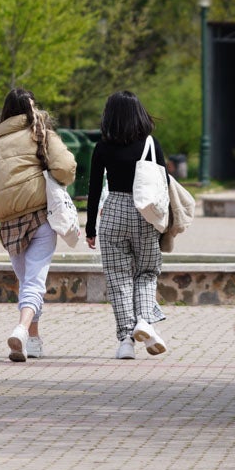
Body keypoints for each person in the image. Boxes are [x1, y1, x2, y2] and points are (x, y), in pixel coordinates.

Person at [0, 88, 77, 362]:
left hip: (8, 224)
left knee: (27, 283)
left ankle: (33, 341)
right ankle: (22, 330)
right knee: (34, 282)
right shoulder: (39, 132)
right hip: (39, 217)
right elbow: (66, 167)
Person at [85, 91, 169, 360]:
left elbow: (95, 188)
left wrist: (90, 229)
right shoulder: (150, 144)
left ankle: (125, 342)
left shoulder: (102, 147)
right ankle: (144, 321)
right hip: (144, 213)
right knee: (146, 272)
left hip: (113, 214)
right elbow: (163, 183)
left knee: (118, 278)